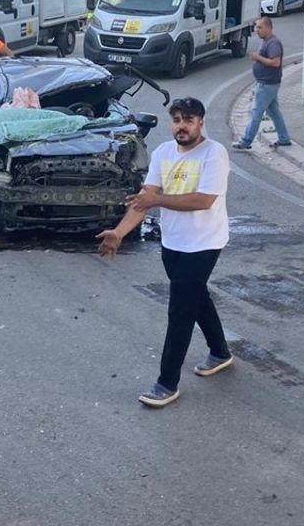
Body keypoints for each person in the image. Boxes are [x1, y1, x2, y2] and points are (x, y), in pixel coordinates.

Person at [97, 97, 233, 408]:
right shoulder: (163, 152)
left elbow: (203, 200)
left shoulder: (214, 153)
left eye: (188, 120)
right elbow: (145, 199)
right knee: (197, 297)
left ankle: (166, 383)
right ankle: (220, 352)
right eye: (177, 120)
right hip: (173, 242)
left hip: (204, 242)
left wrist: (156, 201)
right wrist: (118, 232)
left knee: (180, 310)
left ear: (200, 122)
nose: (181, 126)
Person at [232, 17, 292, 150]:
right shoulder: (266, 42)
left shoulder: (273, 44)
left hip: (267, 84)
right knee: (274, 112)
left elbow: (275, 62)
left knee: (256, 113)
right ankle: (284, 138)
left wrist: (257, 57)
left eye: (260, 27)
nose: (256, 30)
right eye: (256, 27)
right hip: (267, 83)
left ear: (269, 28)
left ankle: (246, 141)